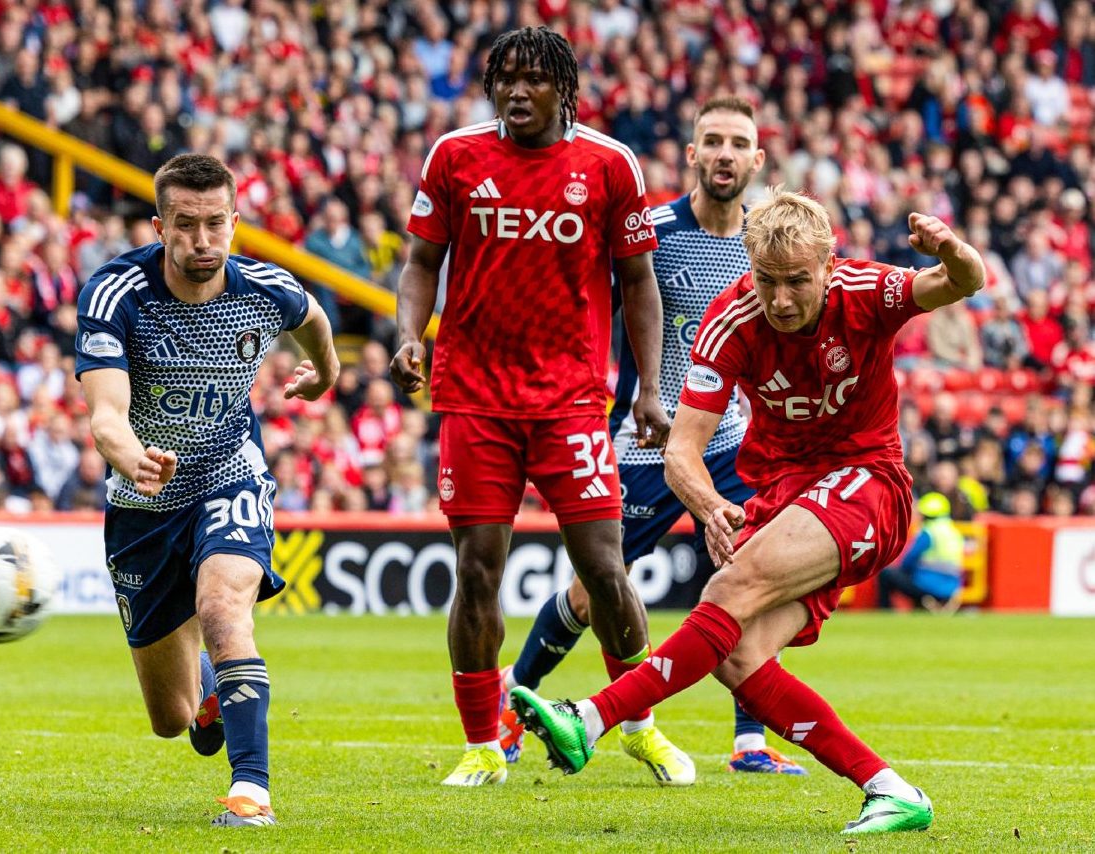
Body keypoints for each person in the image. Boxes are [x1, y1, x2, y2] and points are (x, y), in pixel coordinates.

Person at [511, 191, 986, 834]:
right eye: (767, 280)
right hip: (789, 495)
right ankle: (891, 789)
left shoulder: (868, 291)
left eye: (797, 281)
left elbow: (966, 281)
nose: (782, 299)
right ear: (750, 265)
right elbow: (681, 449)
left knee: (729, 588)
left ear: (827, 265)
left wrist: (951, 249)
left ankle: (590, 718)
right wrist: (708, 506)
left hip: (869, 483)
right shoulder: (732, 319)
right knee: (738, 660)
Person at [390, 27, 683, 788]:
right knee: (476, 569)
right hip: (474, 398)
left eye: (534, 80)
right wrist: (408, 336)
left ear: (565, 89)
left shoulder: (609, 164)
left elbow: (640, 283)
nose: (518, 92)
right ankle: (485, 744)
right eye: (506, 79)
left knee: (605, 570)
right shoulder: (455, 156)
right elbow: (422, 259)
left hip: (571, 401)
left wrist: (650, 388)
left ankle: (638, 723)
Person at [500, 96, 806, 777]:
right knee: (593, 590)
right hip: (647, 436)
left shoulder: (767, 244)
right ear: (692, 155)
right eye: (712, 141)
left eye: (738, 144)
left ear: (758, 160)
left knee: (753, 574)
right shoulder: (654, 231)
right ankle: (512, 700)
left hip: (731, 440)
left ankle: (750, 742)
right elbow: (588, 307)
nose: (725, 154)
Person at [77, 154, 338, 828]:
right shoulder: (116, 294)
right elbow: (105, 414)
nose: (202, 240)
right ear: (159, 226)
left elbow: (314, 321)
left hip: (229, 472)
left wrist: (326, 373)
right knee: (173, 718)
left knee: (223, 607)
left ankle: (251, 792)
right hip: (142, 501)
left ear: (234, 223)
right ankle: (212, 692)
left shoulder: (264, 287)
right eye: (186, 225)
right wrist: (132, 456)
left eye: (215, 223)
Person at [877, 492, 965, 611]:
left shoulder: (928, 532)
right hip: (952, 588)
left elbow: (908, 561)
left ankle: (884, 610)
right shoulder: (954, 532)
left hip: (926, 586)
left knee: (886, 574)